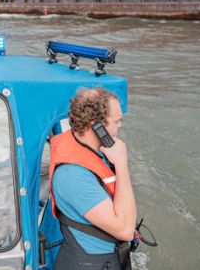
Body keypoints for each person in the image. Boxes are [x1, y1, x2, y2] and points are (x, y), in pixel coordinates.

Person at [49, 87, 136, 270]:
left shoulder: (93, 148)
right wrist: (121, 164)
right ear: (96, 125)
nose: (120, 125)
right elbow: (125, 230)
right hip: (89, 263)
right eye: (116, 121)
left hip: (108, 257)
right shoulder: (72, 176)